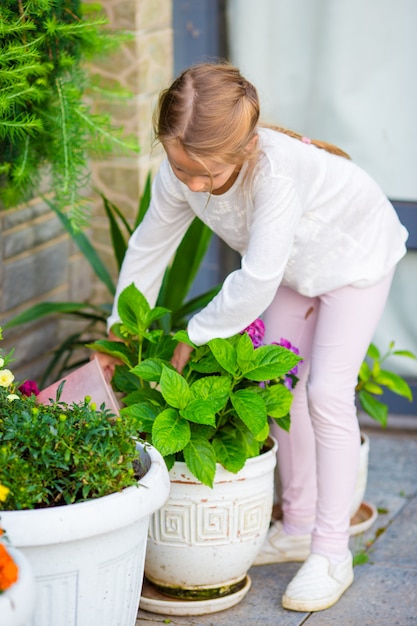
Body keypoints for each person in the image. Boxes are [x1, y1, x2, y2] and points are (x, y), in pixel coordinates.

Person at [95, 62, 408, 612]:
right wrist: (119, 331)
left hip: (356, 257)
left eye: (206, 175)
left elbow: (257, 278)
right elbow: (148, 247)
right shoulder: (181, 172)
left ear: (242, 151)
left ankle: (330, 551)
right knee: (279, 388)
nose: (191, 183)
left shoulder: (276, 176)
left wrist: (194, 334)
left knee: (325, 395)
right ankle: (298, 523)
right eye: (178, 166)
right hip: (297, 269)